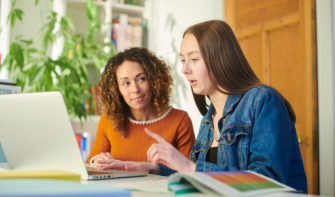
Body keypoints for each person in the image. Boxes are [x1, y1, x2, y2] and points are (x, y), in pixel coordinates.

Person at [97, 20, 308, 193]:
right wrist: (152, 168)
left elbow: (266, 181)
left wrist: (189, 166)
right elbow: (198, 178)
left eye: (194, 59)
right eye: (183, 60)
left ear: (221, 59)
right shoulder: (210, 117)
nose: (185, 70)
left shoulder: (263, 101)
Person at [86, 47, 195, 168]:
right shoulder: (109, 120)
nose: (135, 89)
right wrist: (96, 161)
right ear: (117, 89)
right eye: (126, 83)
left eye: (141, 79)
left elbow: (189, 173)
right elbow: (90, 163)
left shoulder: (180, 121)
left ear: (154, 80)